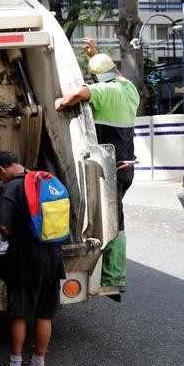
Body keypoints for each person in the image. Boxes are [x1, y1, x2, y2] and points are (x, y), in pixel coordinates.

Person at [54, 38, 139, 295]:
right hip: (127, 166)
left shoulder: (103, 92)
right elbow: (113, 75)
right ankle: (112, 274)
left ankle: (114, 277)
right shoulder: (128, 88)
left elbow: (81, 93)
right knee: (116, 217)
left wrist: (60, 103)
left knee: (112, 221)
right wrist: (96, 55)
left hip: (112, 169)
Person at [0, 151, 66, 366]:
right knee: (45, 313)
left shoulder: (13, 187)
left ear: (1, 169)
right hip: (53, 254)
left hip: (26, 259)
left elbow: (4, 227)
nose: (1, 181)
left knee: (20, 313)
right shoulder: (44, 179)